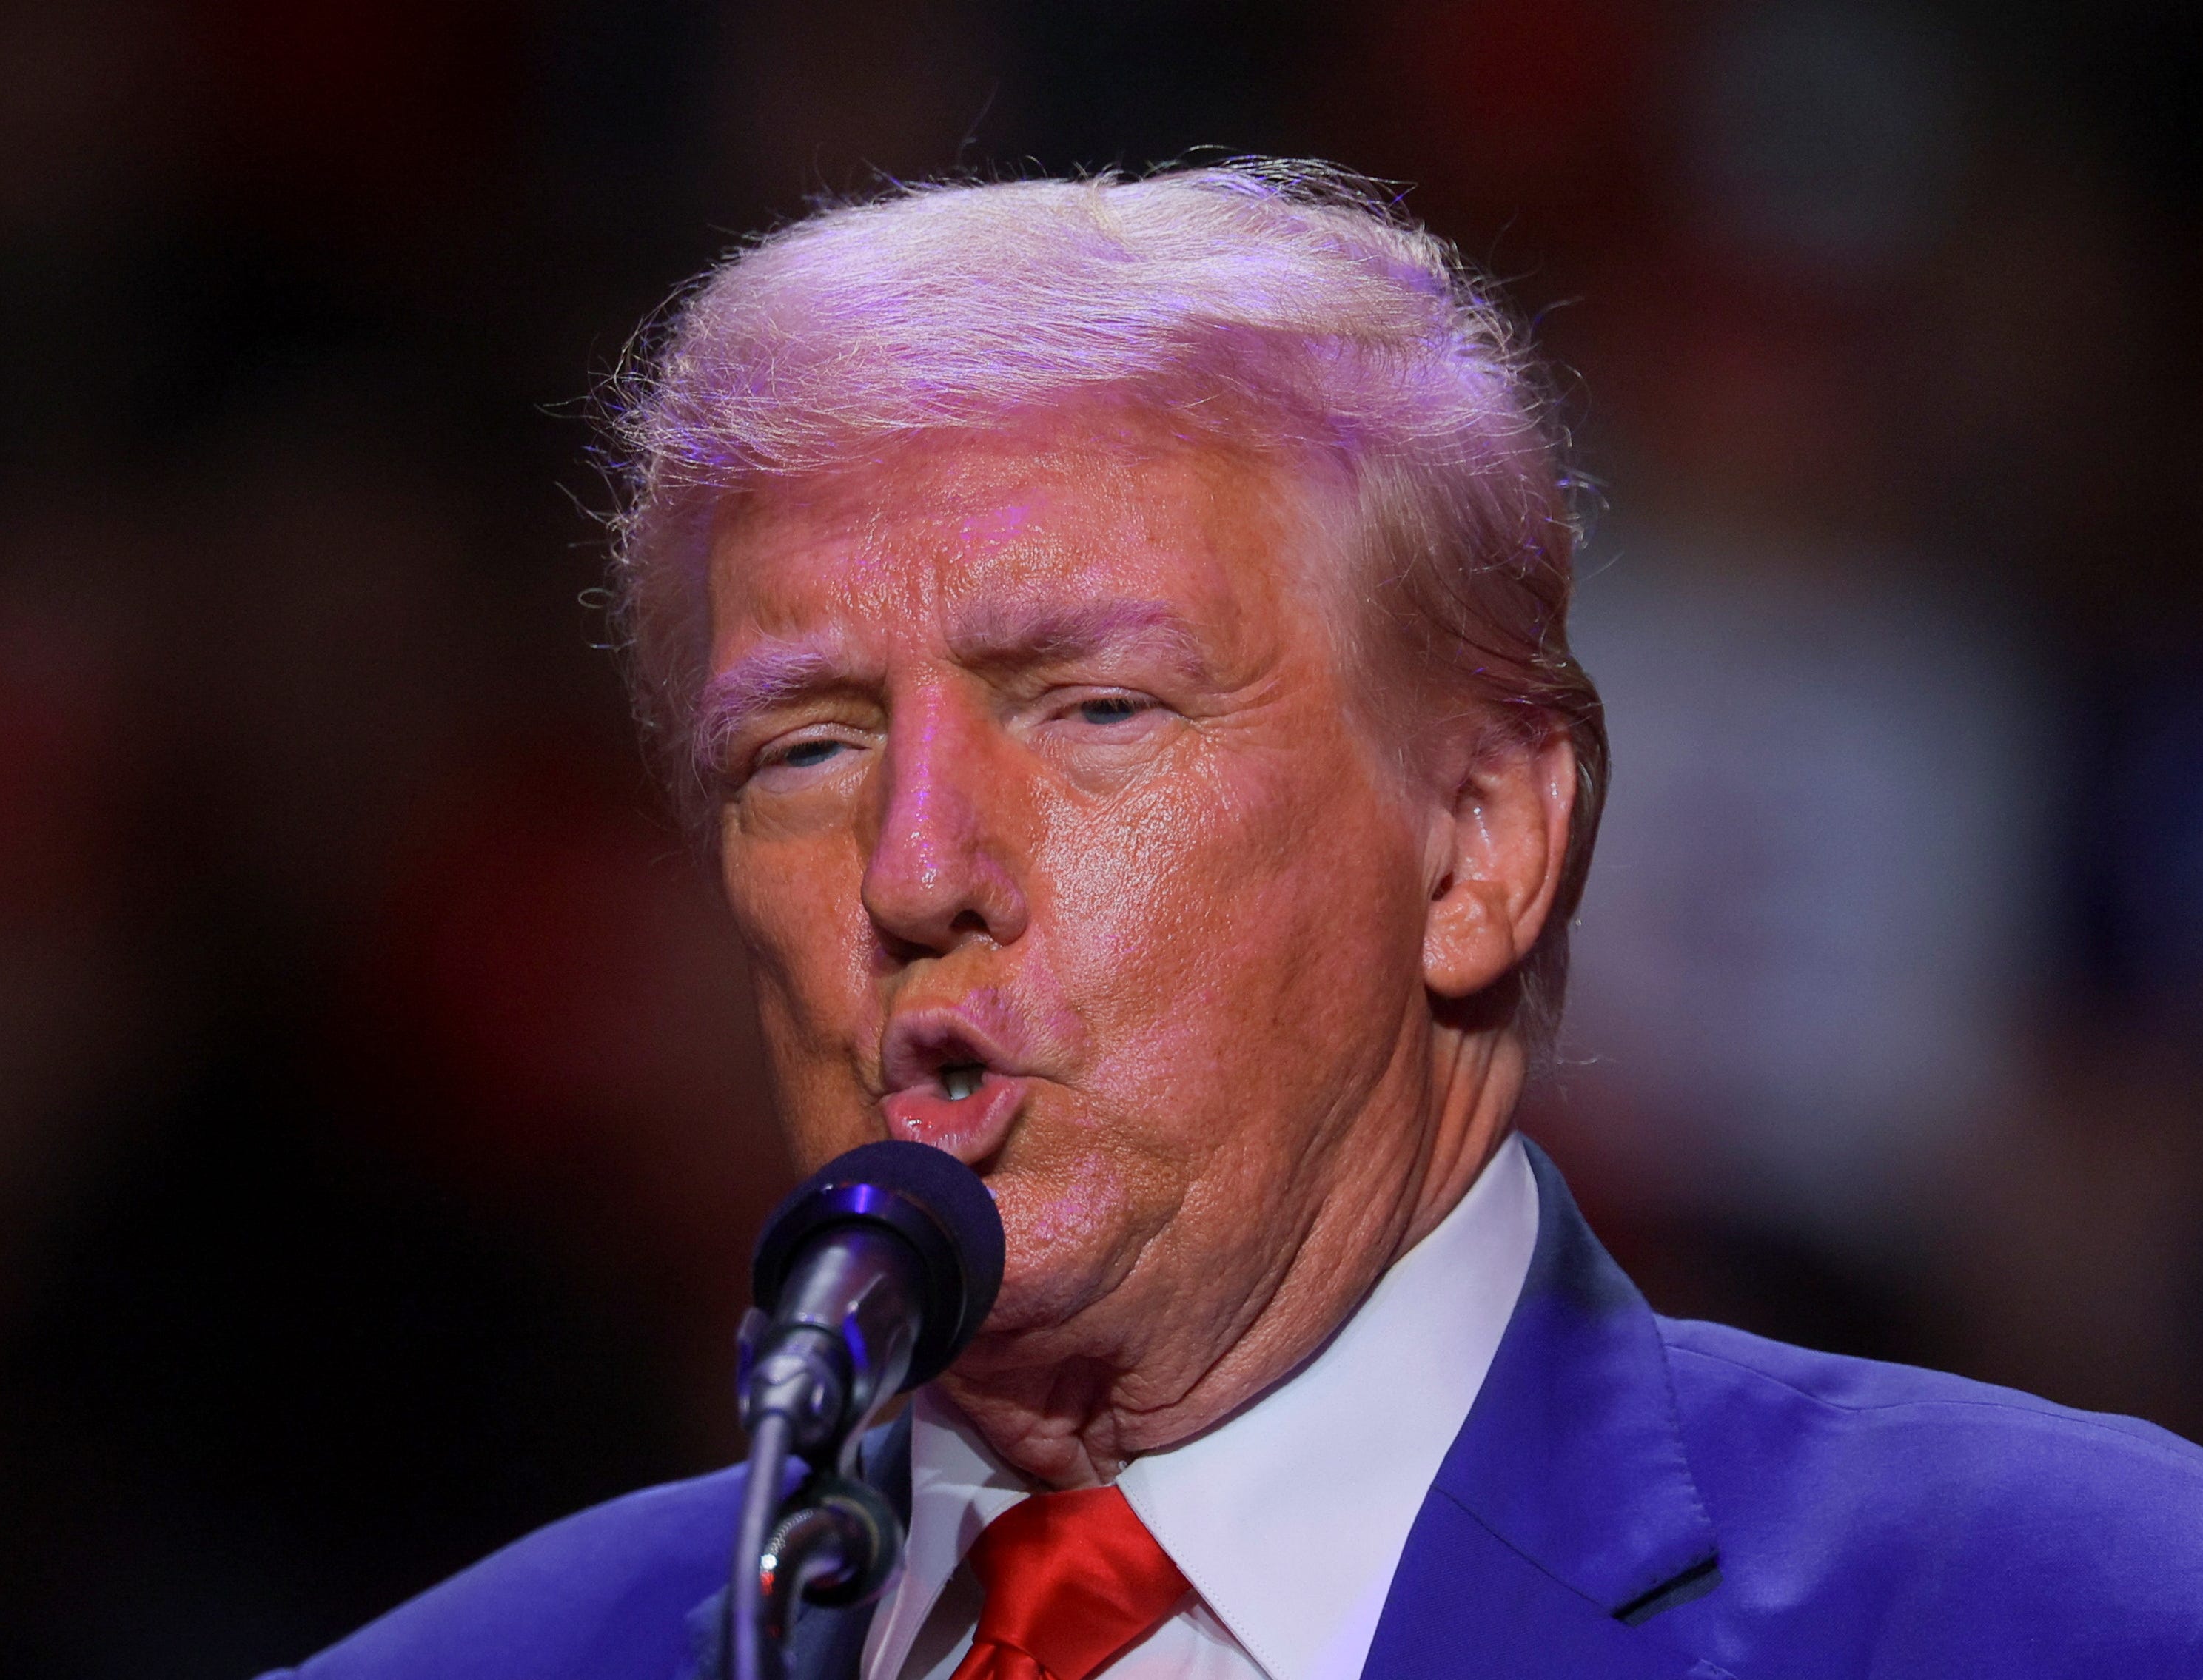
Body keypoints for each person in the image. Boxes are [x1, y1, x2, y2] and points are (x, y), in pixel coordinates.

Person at [264, 164, 2203, 1680]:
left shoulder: (2087, 1623)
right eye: (803, 745)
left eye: (1094, 708)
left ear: (1479, 846)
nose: (916, 863)